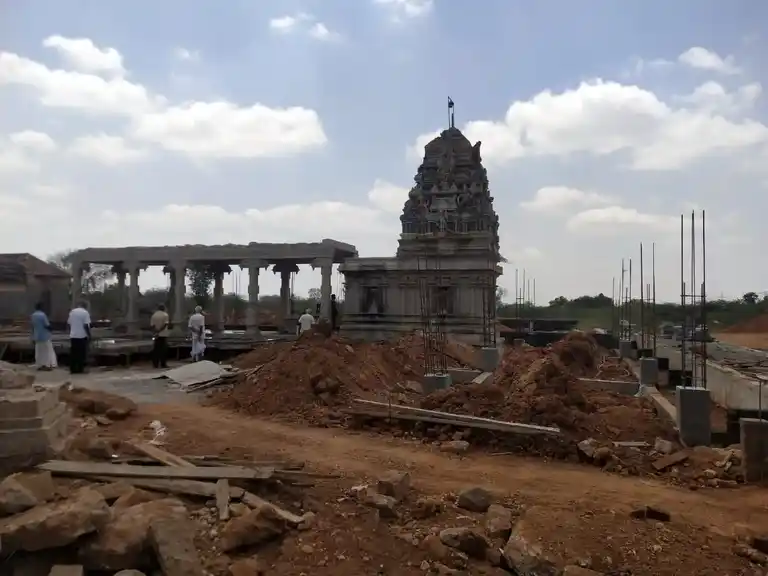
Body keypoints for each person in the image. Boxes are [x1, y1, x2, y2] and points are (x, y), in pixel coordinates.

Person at [67, 300, 91, 374]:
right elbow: (86, 325)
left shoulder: (72, 312)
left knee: (73, 353)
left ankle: (72, 369)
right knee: (81, 354)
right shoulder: (85, 313)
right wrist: (89, 335)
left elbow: (69, 323)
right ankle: (80, 369)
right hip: (82, 336)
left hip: (73, 336)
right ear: (85, 306)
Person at [31, 303, 57, 370]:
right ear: (42, 308)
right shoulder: (42, 315)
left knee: (39, 351)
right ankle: (47, 365)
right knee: (47, 351)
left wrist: (32, 336)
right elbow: (46, 325)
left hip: (37, 336)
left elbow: (33, 327)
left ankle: (39, 364)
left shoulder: (33, 315)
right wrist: (52, 328)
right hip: (45, 336)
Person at [150, 304, 170, 369]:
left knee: (156, 349)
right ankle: (163, 364)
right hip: (163, 334)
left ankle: (155, 364)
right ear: (163, 308)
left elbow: (152, 325)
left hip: (156, 335)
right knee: (163, 350)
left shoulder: (154, 315)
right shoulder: (165, 315)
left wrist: (156, 331)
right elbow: (165, 324)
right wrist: (160, 330)